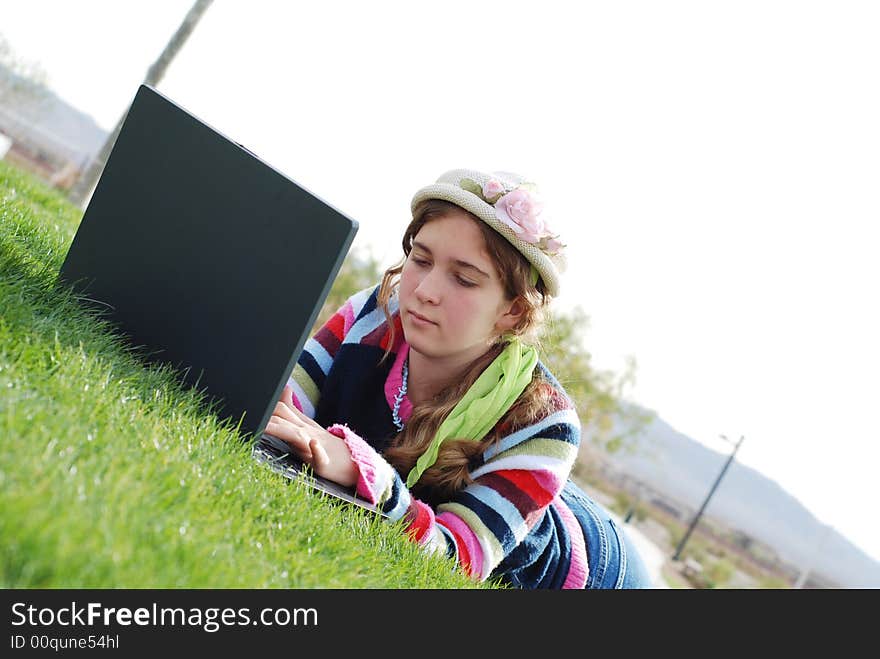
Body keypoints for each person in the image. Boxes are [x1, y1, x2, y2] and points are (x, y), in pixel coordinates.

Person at [264, 168, 653, 589]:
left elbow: (458, 559)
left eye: (464, 278)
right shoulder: (372, 316)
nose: (425, 290)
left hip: (595, 572)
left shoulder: (547, 423)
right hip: (515, 483)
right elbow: (277, 409)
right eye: (421, 259)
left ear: (513, 312)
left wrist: (367, 474)